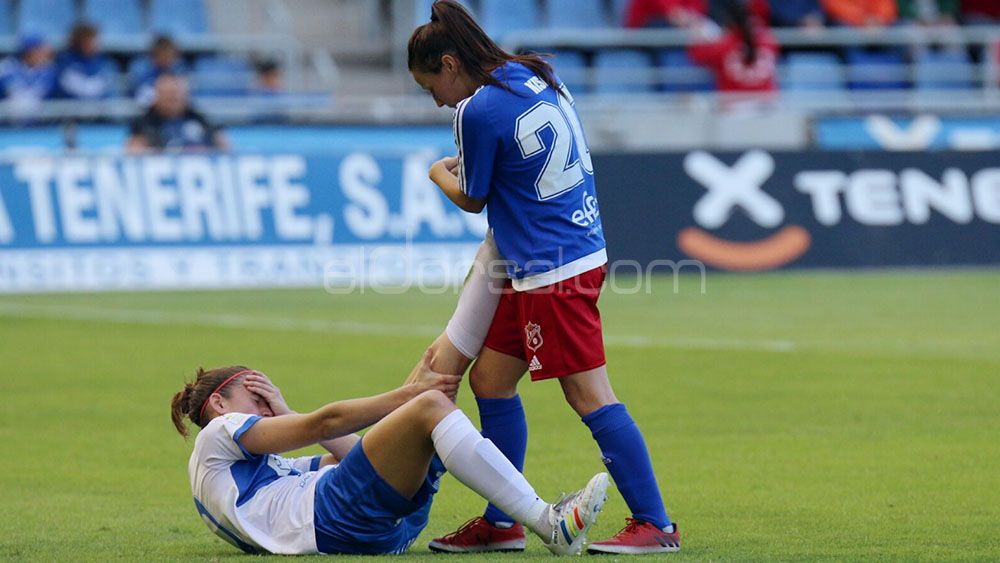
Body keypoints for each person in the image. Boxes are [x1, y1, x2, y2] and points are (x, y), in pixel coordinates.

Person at [408, 0, 679, 555]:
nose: (435, 99)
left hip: (550, 267)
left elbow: (473, 196)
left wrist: (437, 172)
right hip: (560, 250)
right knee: (490, 381)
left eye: (430, 85)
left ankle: (655, 524)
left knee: (589, 394)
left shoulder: (476, 110)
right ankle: (503, 521)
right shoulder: (531, 72)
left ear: (450, 64)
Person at [170, 352, 609, 555]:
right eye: (259, 399)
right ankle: (547, 522)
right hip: (332, 518)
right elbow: (322, 424)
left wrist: (406, 402)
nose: (267, 410)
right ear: (219, 404)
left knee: (435, 372)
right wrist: (405, 397)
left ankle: (493, 265)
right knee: (429, 401)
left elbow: (354, 459)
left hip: (372, 530)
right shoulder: (219, 433)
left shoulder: (247, 475)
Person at [688, 0, 779, 95]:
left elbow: (696, 56)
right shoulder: (768, 40)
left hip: (734, 101)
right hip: (767, 102)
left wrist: (696, 36)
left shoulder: (725, 45)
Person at [126, 74, 229, 152]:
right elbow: (134, 152)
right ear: (157, 96)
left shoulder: (198, 119)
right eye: (168, 96)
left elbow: (224, 147)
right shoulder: (144, 124)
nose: (173, 100)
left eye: (177, 95)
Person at [54, 23, 118, 100]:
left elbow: (111, 94)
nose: (93, 45)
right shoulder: (65, 64)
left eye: (94, 41)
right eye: (88, 41)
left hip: (101, 107)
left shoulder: (106, 65)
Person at [0, 35, 57, 117]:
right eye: (39, 50)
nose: (44, 54)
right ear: (29, 51)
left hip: (40, 121)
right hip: (8, 120)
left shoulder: (50, 70)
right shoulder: (6, 67)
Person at [128, 35, 188, 105]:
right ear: (155, 55)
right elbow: (141, 97)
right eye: (165, 55)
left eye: (171, 56)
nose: (168, 60)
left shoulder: (179, 68)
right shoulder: (142, 69)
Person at [820, 0, 897, 28]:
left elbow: (887, 6)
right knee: (842, 29)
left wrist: (879, 19)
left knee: (900, 27)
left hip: (879, 26)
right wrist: (862, 20)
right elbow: (835, 6)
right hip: (850, 25)